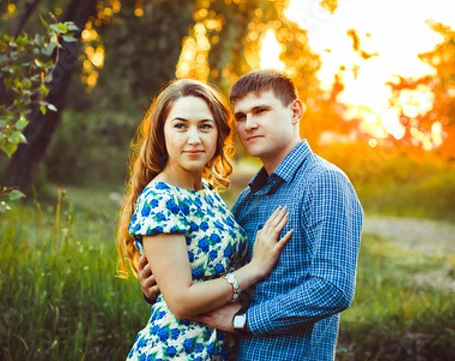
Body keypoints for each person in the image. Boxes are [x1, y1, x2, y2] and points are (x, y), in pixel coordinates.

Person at [140, 69, 364, 360]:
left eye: (261, 111)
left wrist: (243, 321)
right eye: (241, 116)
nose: (249, 124)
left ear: (295, 111)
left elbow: (333, 287)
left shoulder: (323, 182)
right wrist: (159, 288)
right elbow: (220, 274)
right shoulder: (249, 198)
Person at [116, 78, 293, 360]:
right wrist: (255, 268)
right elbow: (182, 302)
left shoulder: (206, 193)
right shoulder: (162, 198)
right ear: (162, 133)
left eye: (205, 126)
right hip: (175, 353)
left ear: (219, 134)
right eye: (180, 126)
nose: (194, 138)